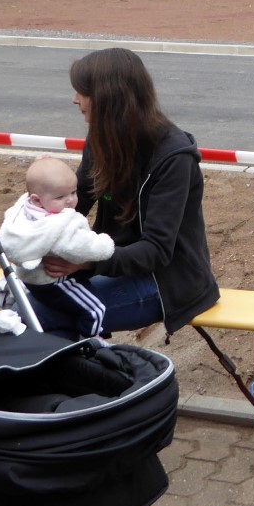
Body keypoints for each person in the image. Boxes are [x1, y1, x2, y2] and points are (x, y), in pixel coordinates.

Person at [28, 48, 220, 338]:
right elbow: (74, 203)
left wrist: (86, 262)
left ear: (108, 97)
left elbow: (156, 251)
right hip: (107, 263)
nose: (75, 99)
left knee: (40, 314)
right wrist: (35, 220)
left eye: (82, 91)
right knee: (24, 302)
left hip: (165, 281)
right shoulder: (102, 138)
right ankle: (84, 363)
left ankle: (91, 364)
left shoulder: (173, 157)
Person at [0, 156, 116, 337]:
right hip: (55, 282)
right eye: (60, 197)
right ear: (37, 200)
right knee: (96, 309)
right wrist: (105, 245)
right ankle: (91, 341)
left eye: (73, 192)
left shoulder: (23, 211)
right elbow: (80, 248)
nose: (70, 200)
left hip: (30, 279)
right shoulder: (56, 225)